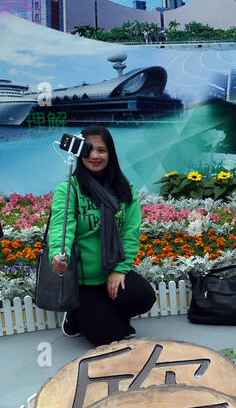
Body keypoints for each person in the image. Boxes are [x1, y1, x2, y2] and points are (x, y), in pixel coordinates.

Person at [48, 125, 156, 347]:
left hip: (111, 270)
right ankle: (75, 315)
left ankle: (107, 313)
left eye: (102, 150)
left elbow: (130, 232)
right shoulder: (69, 189)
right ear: (80, 153)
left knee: (143, 296)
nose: (95, 156)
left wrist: (119, 270)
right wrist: (59, 254)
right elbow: (62, 226)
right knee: (109, 339)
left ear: (111, 154)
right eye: (89, 150)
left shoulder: (124, 189)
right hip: (84, 280)